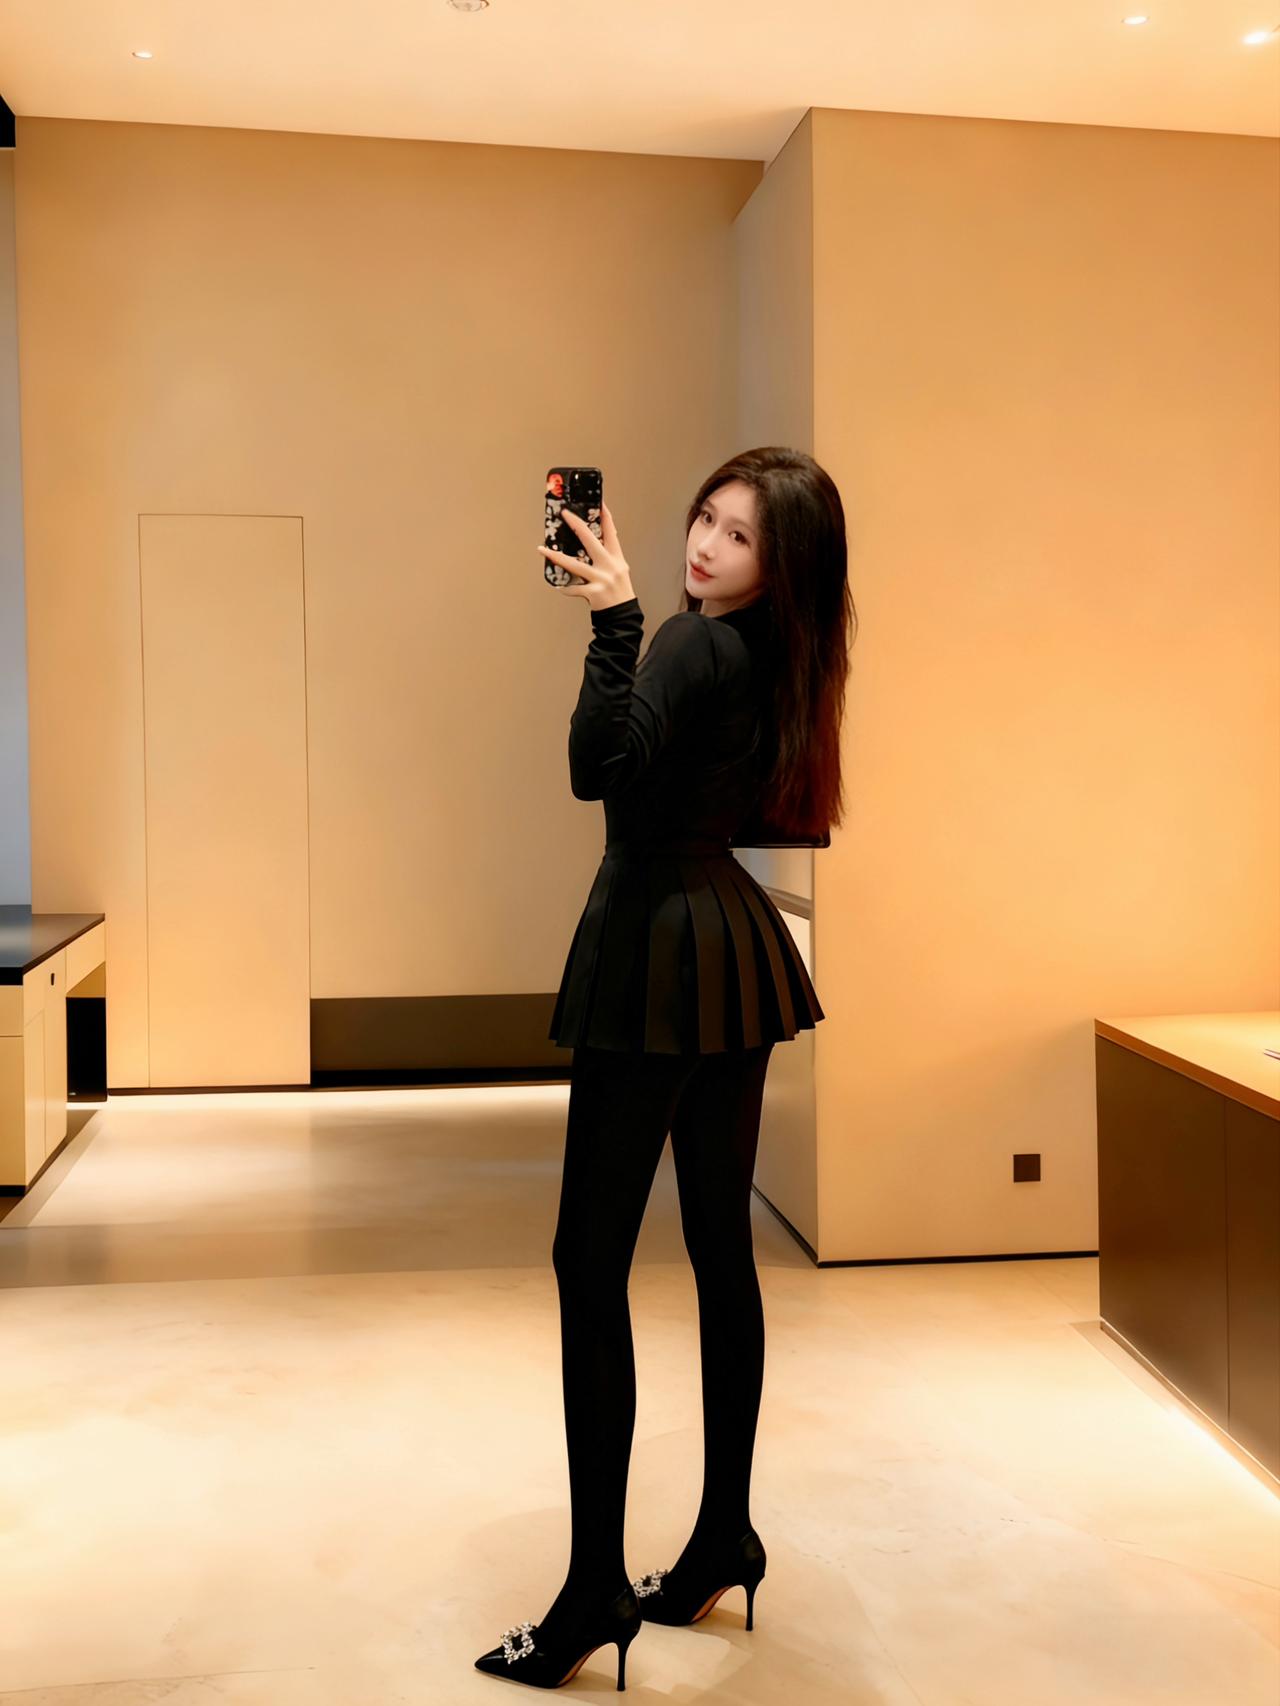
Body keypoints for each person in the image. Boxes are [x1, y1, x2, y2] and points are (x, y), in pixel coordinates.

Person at [474, 448, 855, 1690]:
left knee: (588, 1264)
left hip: (651, 948)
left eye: (738, 536)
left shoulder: (689, 641)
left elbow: (595, 769)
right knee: (716, 1248)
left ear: (777, 567)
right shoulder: (780, 659)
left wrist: (613, 622)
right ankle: (718, 1537)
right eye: (704, 517)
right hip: (730, 946)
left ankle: (593, 1588)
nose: (704, 543)